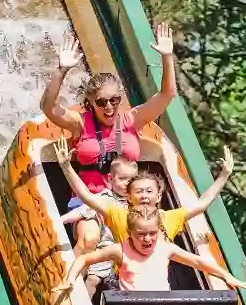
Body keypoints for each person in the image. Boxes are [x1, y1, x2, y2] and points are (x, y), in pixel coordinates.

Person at [40, 22, 176, 210]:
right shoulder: (80, 123)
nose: (109, 107)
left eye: (114, 100)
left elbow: (166, 95)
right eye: (102, 102)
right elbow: (48, 107)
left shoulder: (132, 120)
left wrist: (167, 57)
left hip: (127, 204)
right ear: (91, 102)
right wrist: (61, 70)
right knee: (89, 238)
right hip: (90, 203)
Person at [54, 136, 235, 243]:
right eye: (139, 192)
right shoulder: (120, 215)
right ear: (130, 197)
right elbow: (87, 197)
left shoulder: (166, 218)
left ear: (158, 197)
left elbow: (202, 204)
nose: (144, 196)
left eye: (149, 192)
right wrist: (66, 167)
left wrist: (224, 176)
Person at [57, 206, 246, 293]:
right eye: (141, 234)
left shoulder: (165, 248)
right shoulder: (120, 250)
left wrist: (226, 275)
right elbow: (84, 260)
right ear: (130, 232)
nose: (148, 239)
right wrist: (70, 279)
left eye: (152, 233)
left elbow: (197, 261)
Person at [60, 157, 136, 297]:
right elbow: (84, 209)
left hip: (126, 251)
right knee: (93, 279)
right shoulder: (106, 197)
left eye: (131, 180)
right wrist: (61, 220)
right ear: (110, 178)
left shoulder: (135, 201)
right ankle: (82, 300)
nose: (127, 184)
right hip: (106, 247)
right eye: (122, 179)